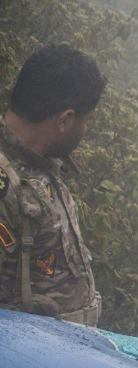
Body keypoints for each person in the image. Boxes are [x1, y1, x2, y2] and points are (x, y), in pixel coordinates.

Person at [0, 45, 105, 325]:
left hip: (65, 352)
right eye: (86, 121)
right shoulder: (4, 183)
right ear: (65, 120)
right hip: (28, 360)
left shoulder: (40, 160)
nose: (85, 131)